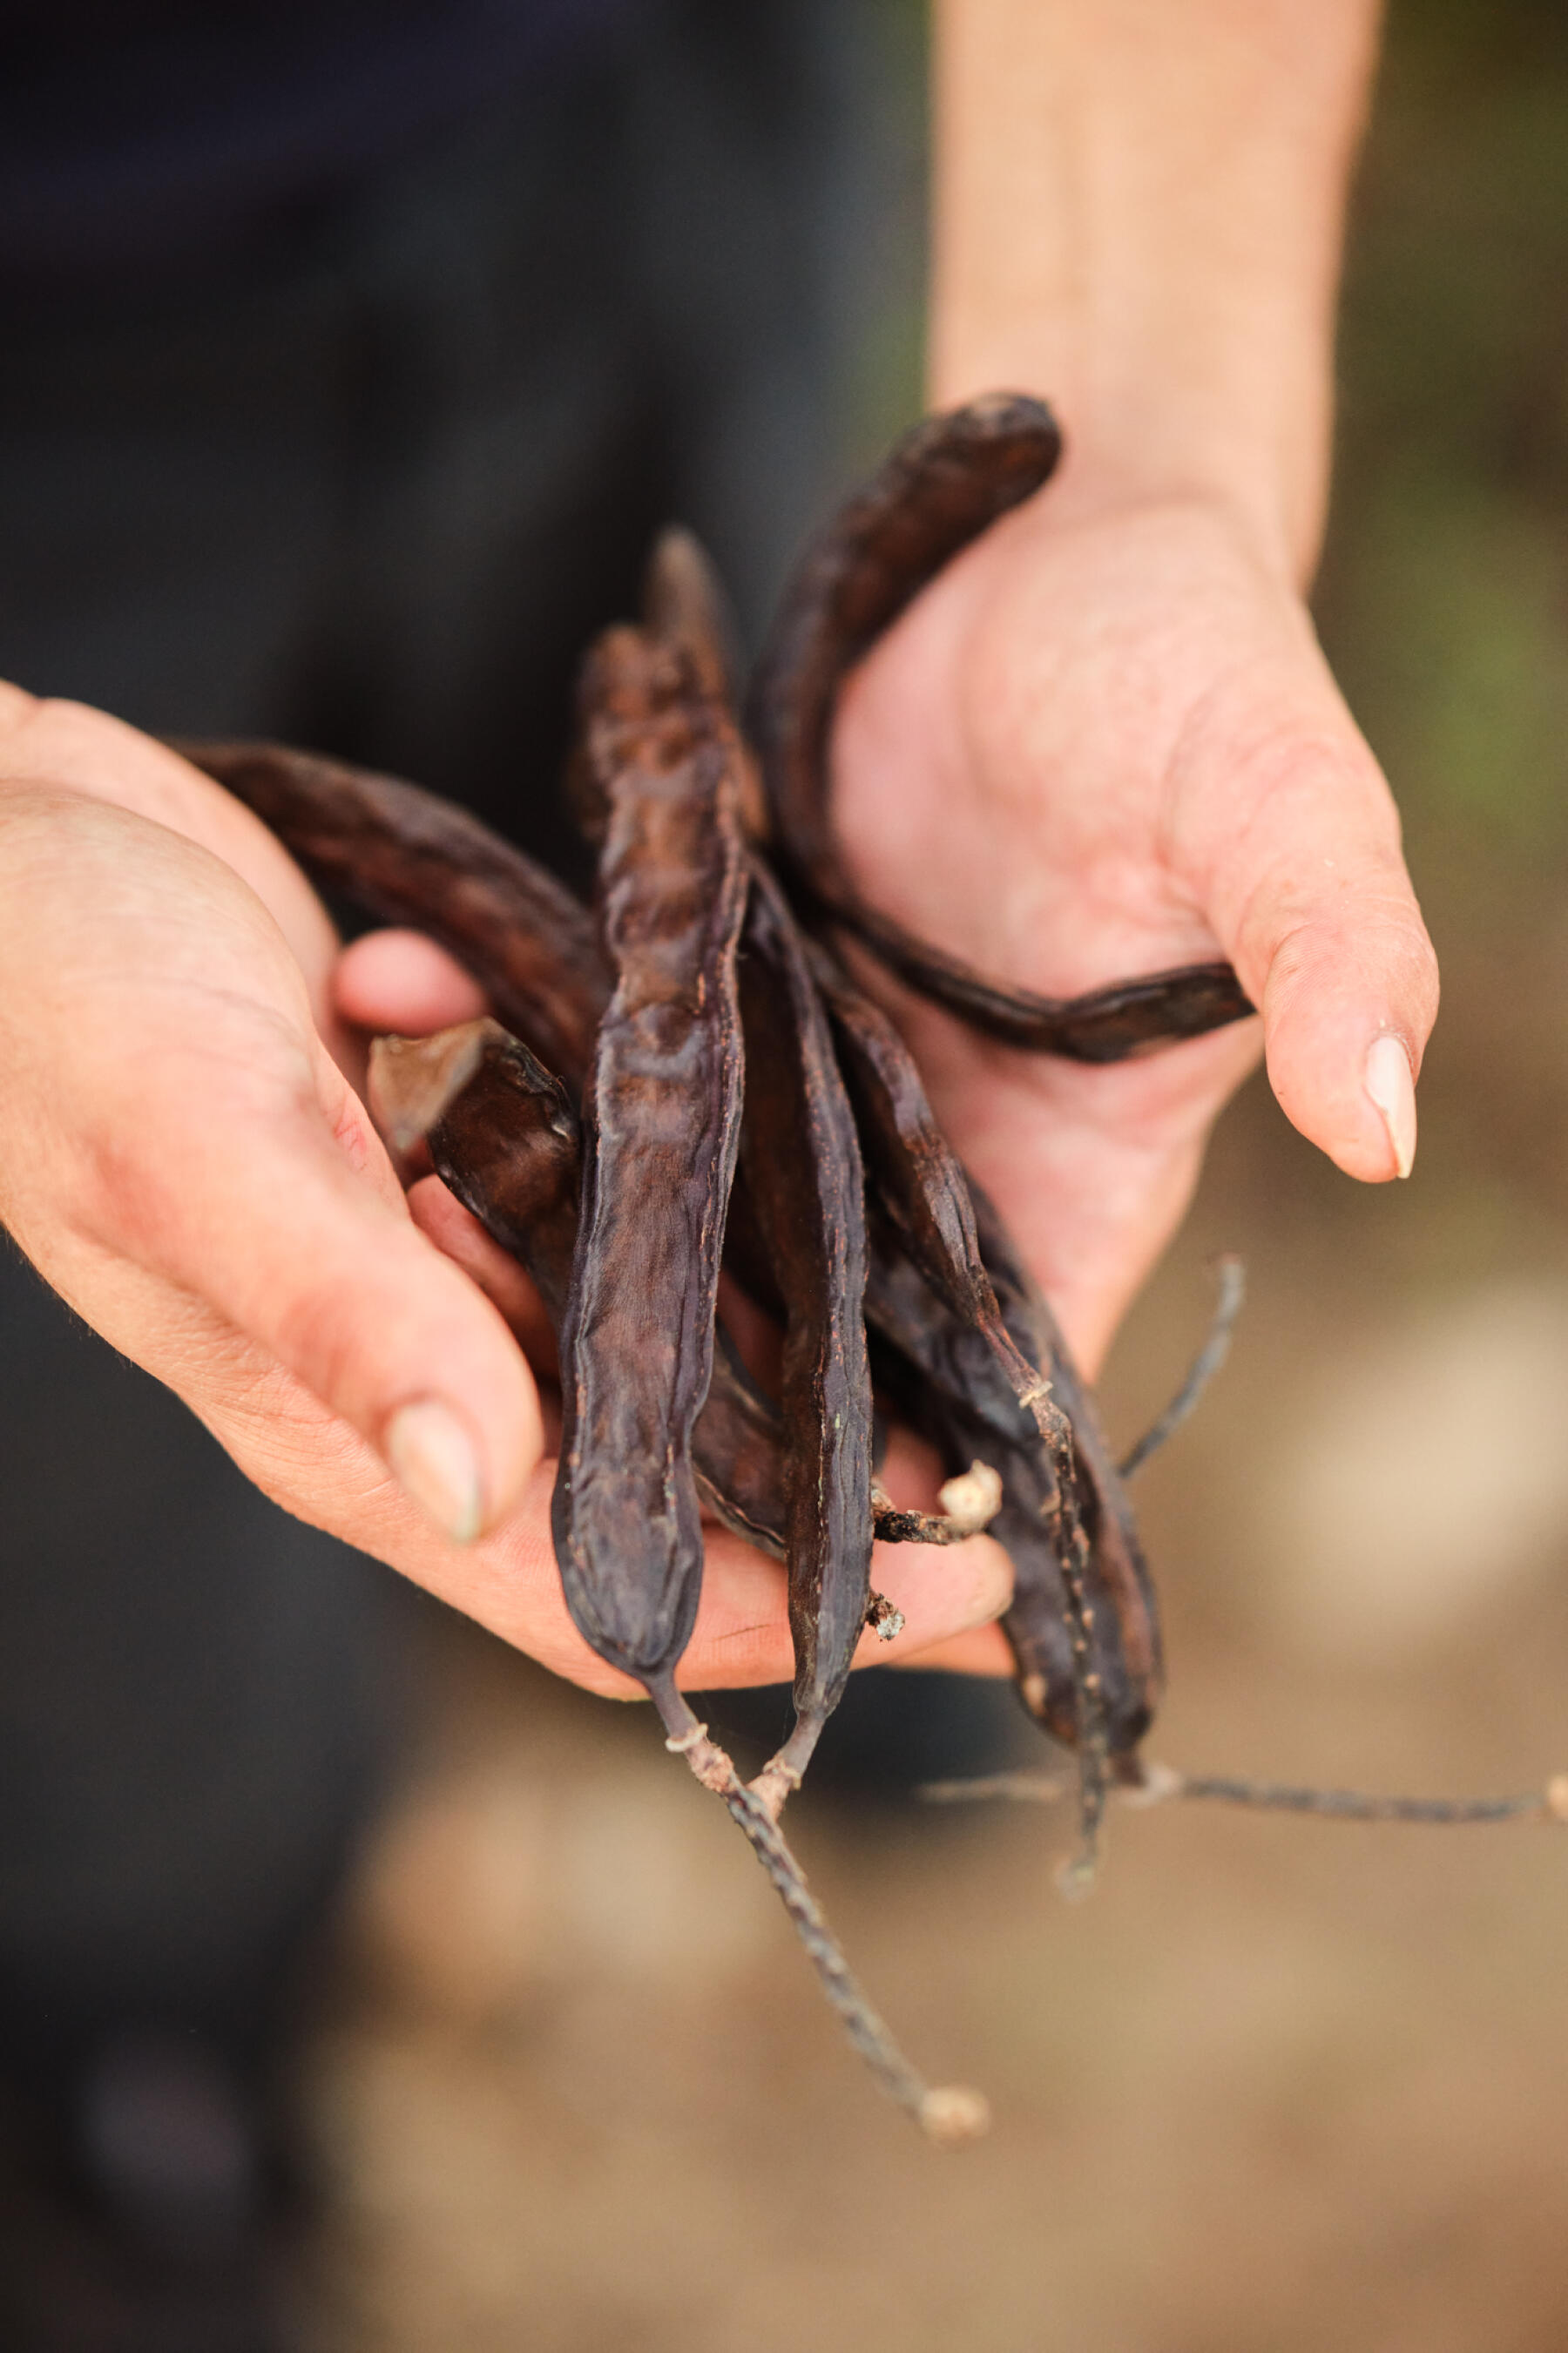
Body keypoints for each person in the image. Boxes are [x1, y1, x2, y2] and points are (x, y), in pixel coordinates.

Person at [0, 0, 1435, 2338]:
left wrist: (1148, 434)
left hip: (632, 98)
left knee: (727, 810)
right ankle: (152, 2095)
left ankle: (871, 1589)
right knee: (93, 1533)